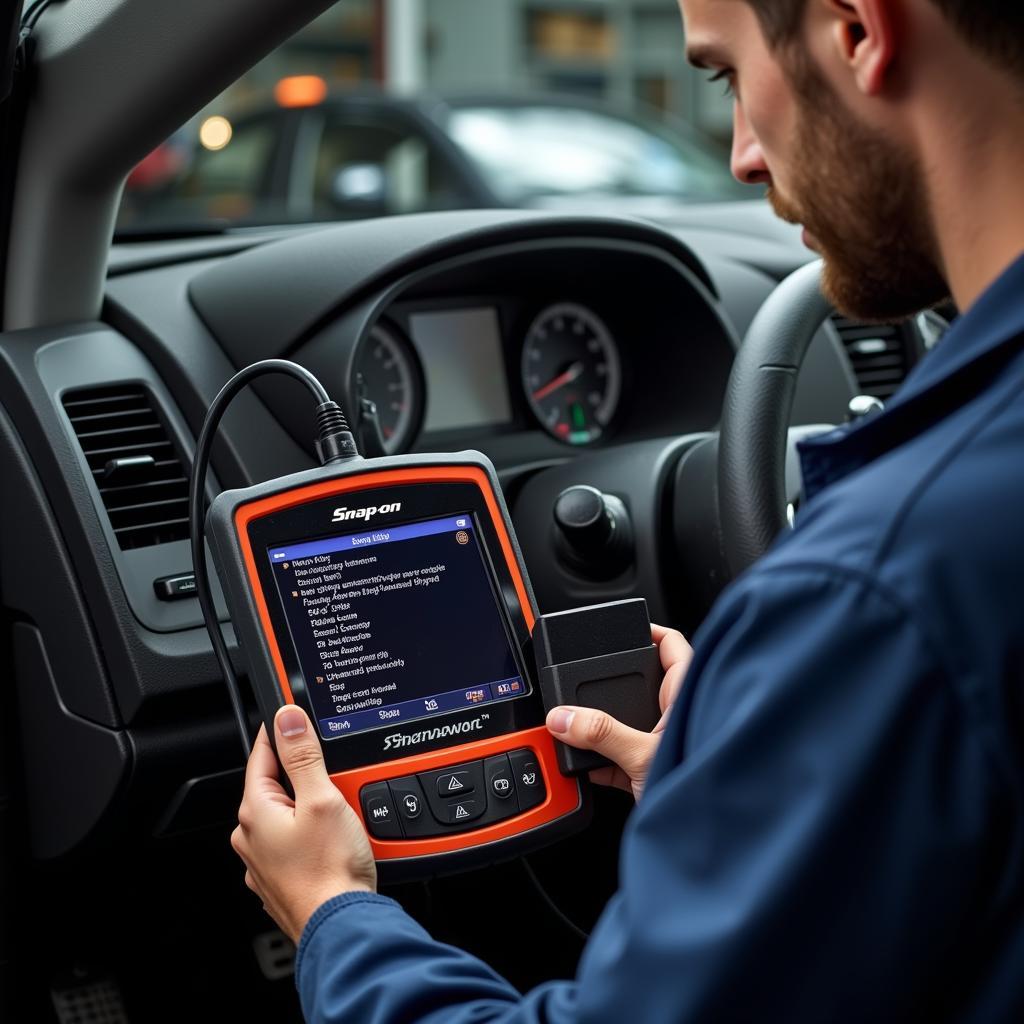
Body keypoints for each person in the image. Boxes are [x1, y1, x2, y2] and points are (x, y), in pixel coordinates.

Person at [230, 0, 1024, 1018]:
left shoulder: (876, 596)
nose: (741, 155)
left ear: (859, 29)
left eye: (726, 75)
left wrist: (336, 917)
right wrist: (754, 792)